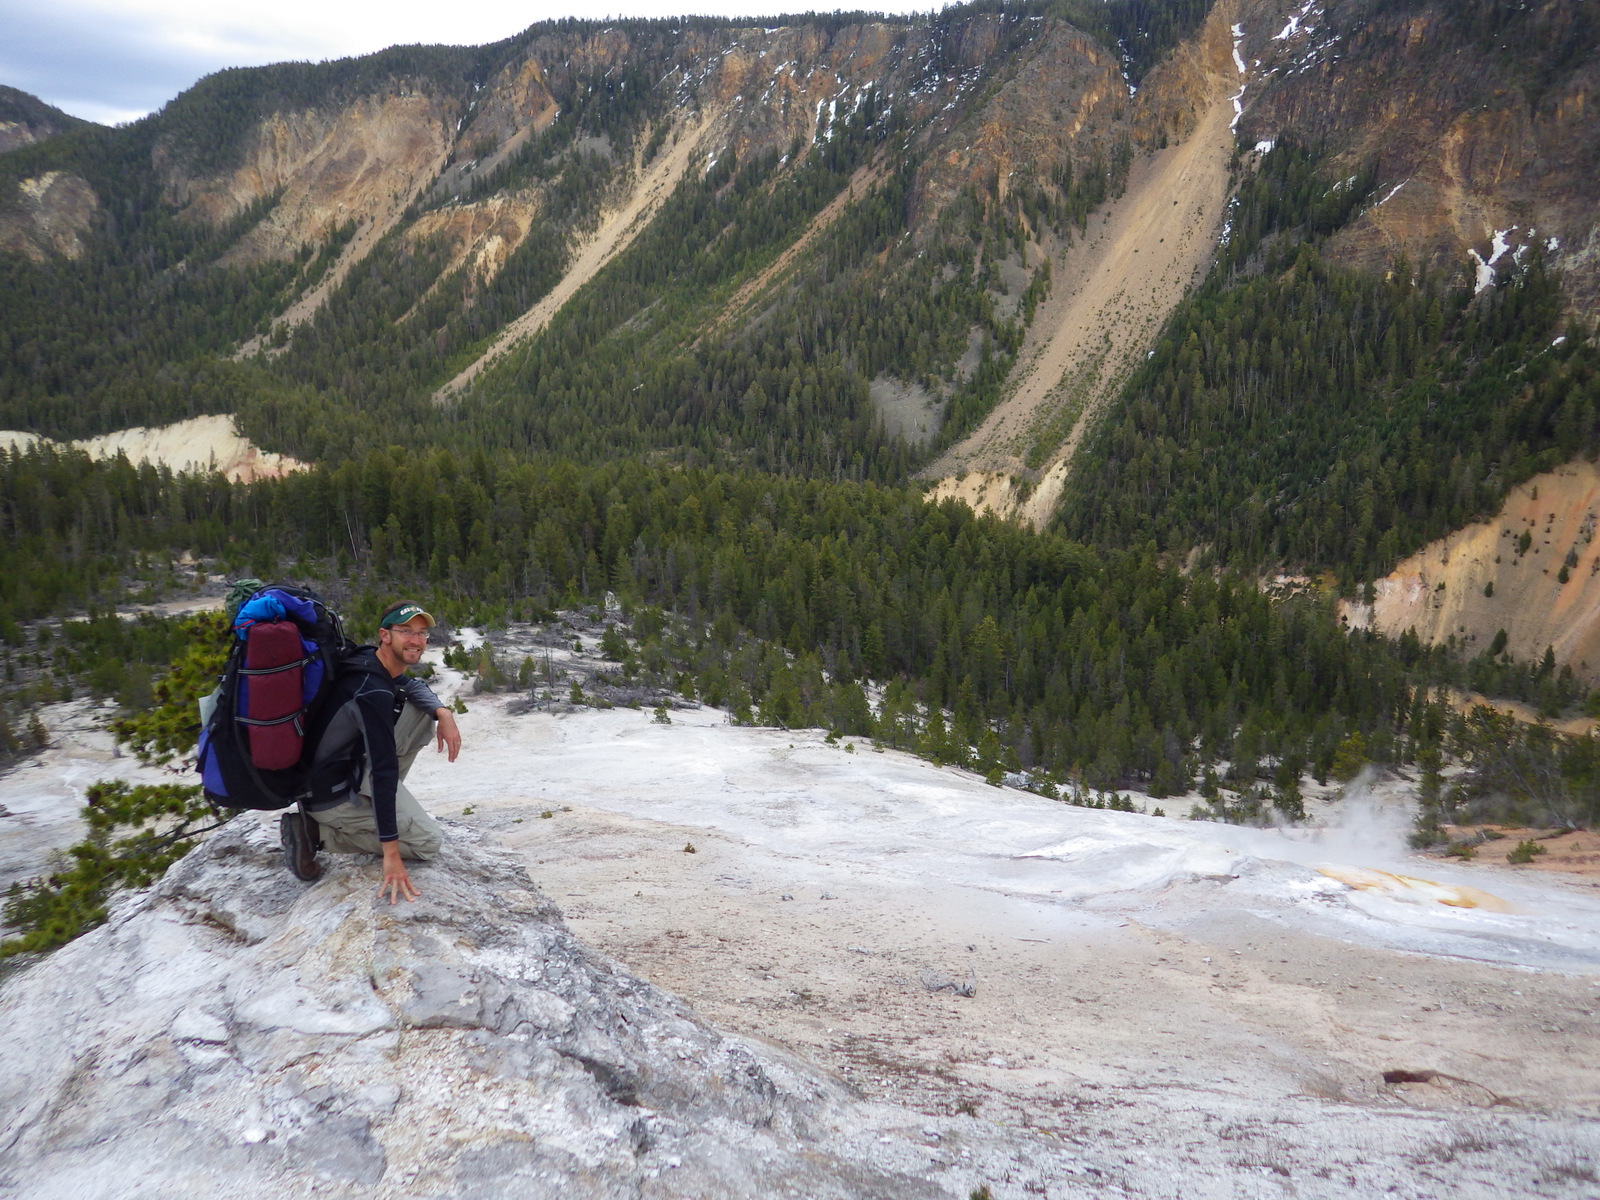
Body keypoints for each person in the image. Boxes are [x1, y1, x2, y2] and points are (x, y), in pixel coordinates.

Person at [279, 601, 463, 901]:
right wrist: (391, 852)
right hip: (330, 797)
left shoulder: (367, 659)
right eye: (406, 631)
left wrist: (443, 712)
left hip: (335, 771)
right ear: (385, 635)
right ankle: (316, 834)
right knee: (428, 842)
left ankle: (384, 805)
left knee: (421, 713)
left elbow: (410, 685)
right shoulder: (372, 691)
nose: (416, 640)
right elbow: (383, 770)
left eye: (421, 633)